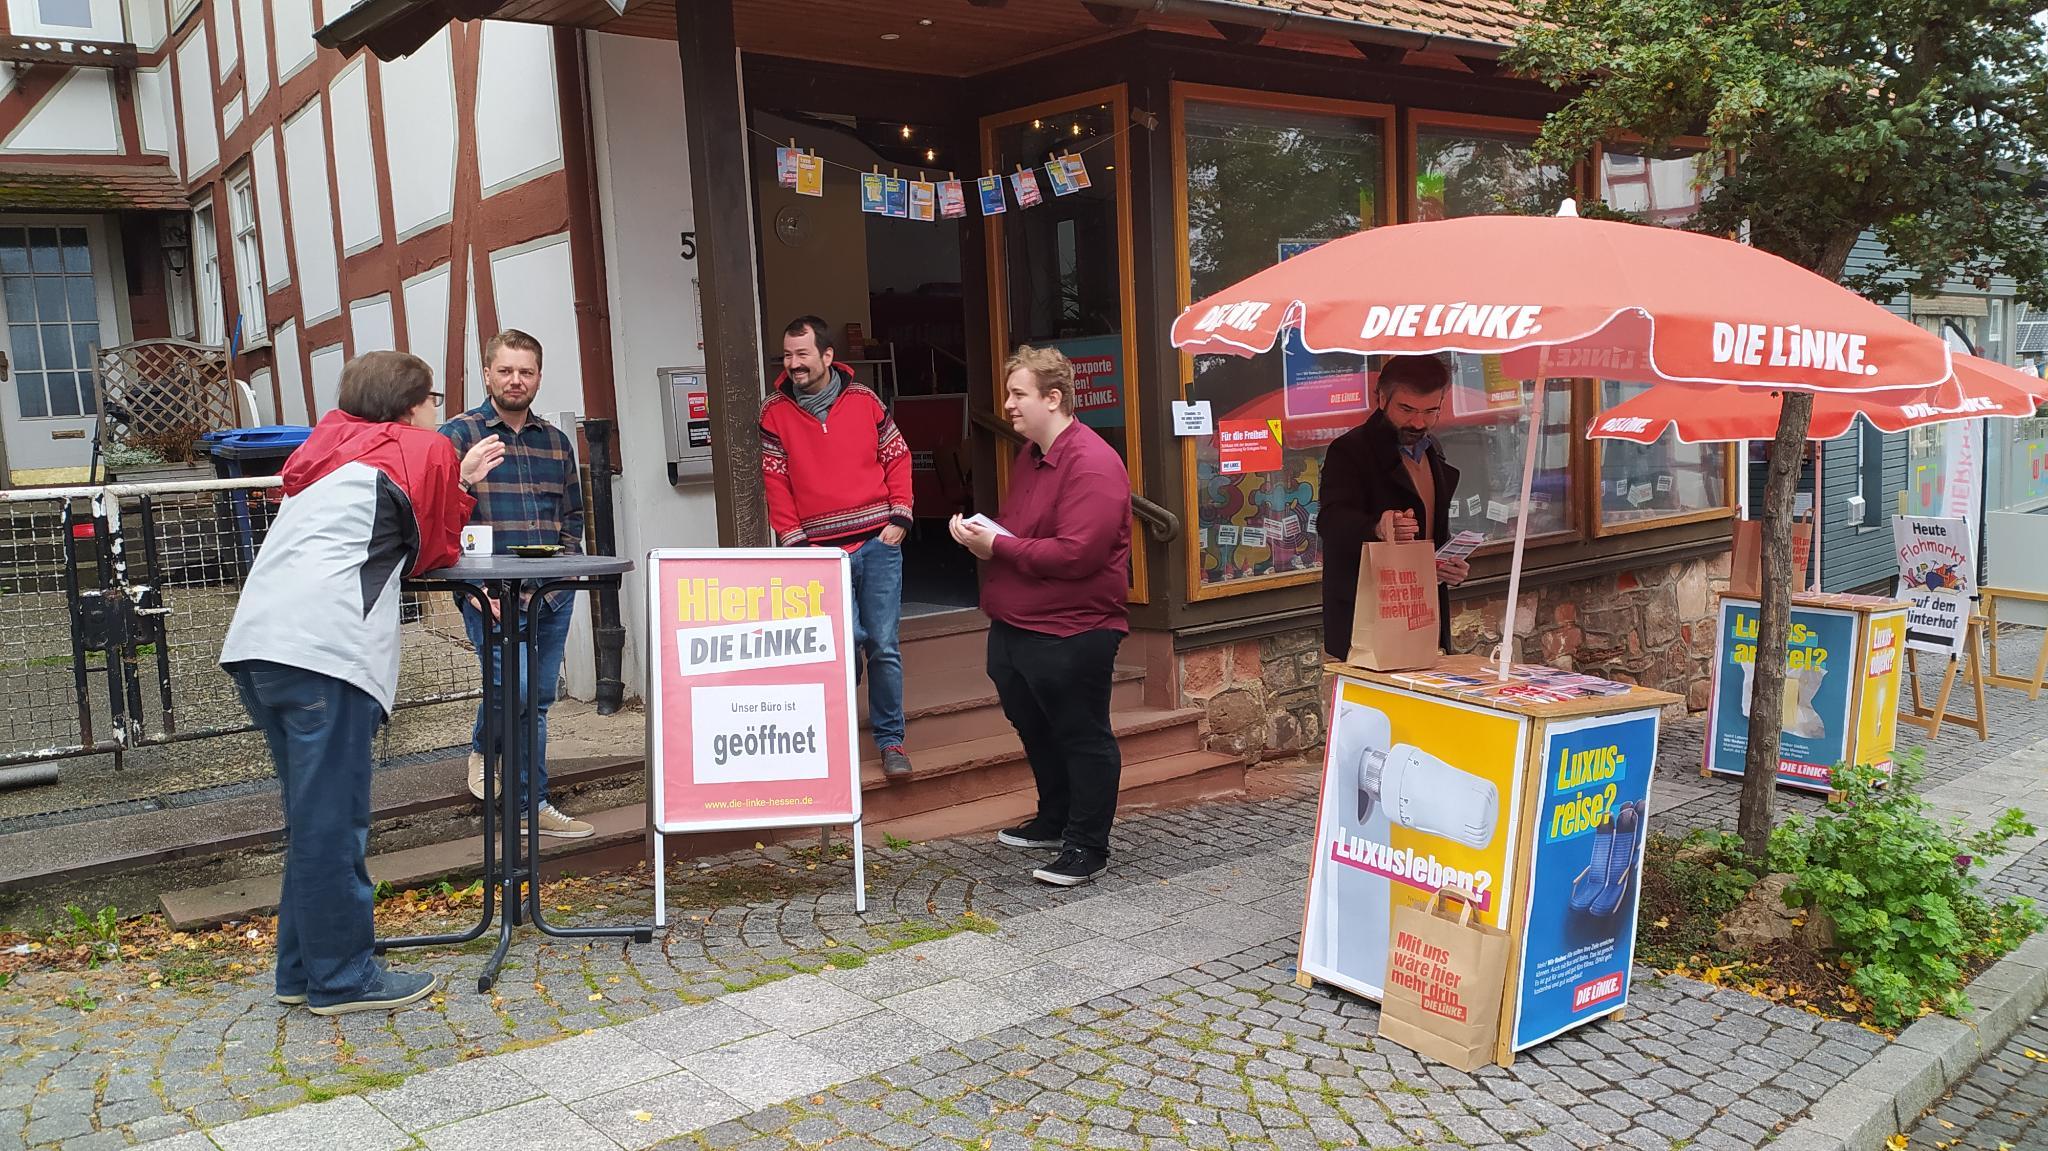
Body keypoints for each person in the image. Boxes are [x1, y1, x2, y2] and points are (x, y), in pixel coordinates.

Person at [221, 351, 504, 1015]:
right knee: (334, 824)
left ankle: (301, 969)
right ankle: (344, 978)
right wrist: (458, 480)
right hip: (327, 652)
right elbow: (435, 550)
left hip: (259, 647)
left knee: (311, 818)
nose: (438, 410)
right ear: (412, 404)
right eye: (433, 398)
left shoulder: (328, 449)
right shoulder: (423, 447)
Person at [950, 345, 1131, 888]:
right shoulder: (1031, 455)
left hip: (1072, 629)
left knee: (1081, 734)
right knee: (1033, 723)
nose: (1007, 404)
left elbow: (1078, 555)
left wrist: (997, 548)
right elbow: (1019, 529)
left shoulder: (1093, 463)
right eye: (1009, 393)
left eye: (1018, 394)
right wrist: (986, 537)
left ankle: (1087, 846)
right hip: (1018, 623)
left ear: (1053, 399)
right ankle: (1054, 817)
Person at [439, 329, 592, 838]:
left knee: (536, 697)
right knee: (518, 691)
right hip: (491, 597)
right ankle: (531, 806)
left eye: (525, 372)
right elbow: (439, 520)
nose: (515, 380)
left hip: (550, 596)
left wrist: (566, 571)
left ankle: (488, 746)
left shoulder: (555, 442)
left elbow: (573, 515)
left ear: (539, 377)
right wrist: (472, 592)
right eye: (505, 370)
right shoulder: (459, 436)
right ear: (486, 374)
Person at [761, 316, 916, 781]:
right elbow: (776, 483)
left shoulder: (865, 401)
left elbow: (898, 456)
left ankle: (891, 743)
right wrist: (794, 542)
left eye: (802, 354)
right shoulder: (774, 413)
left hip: (878, 541)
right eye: (787, 356)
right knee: (844, 643)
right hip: (821, 555)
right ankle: (837, 738)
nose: (793, 364)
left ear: (828, 356)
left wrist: (901, 516)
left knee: (884, 646)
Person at [1317, 354, 1470, 661]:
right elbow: (1330, 521)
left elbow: (1429, 531)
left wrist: (1445, 564)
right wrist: (1376, 526)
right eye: (1407, 409)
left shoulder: (1433, 451)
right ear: (1382, 398)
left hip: (1423, 613)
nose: (1418, 422)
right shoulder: (1350, 450)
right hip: (1366, 615)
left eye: (1431, 411)